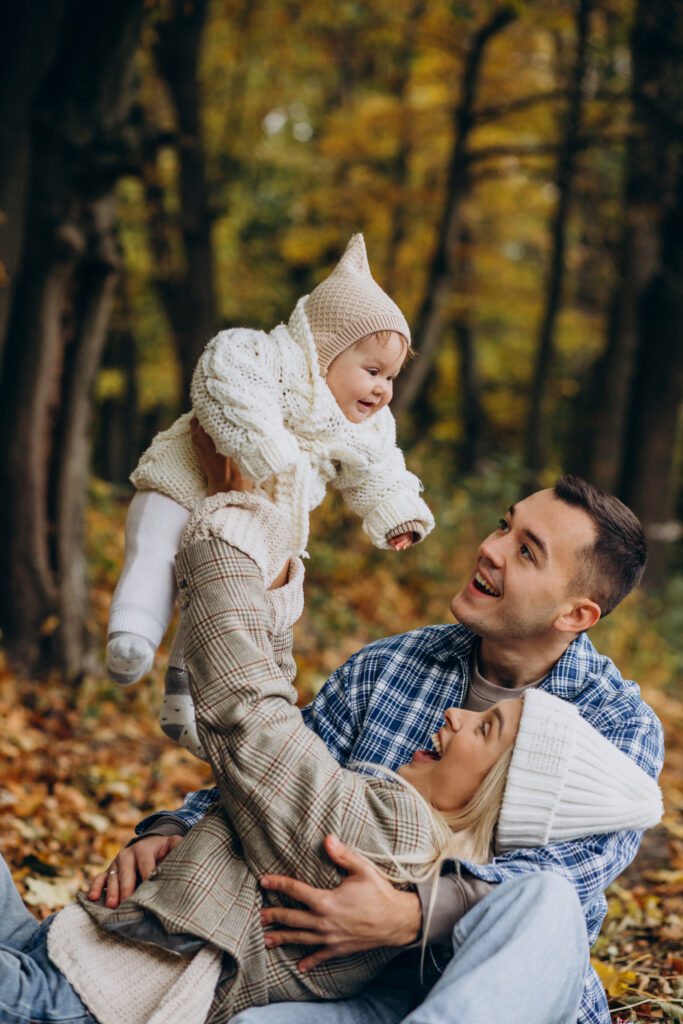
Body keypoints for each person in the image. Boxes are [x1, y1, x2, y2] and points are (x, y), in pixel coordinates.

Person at [0, 466, 662, 1024]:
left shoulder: (614, 725)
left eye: (526, 551)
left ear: (574, 614)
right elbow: (284, 773)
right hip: (338, 983)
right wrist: (176, 825)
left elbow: (562, 889)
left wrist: (407, 913)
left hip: (478, 993)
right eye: (503, 526)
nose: (490, 549)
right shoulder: (392, 665)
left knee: (545, 906)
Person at [106, 233, 434, 760]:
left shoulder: (366, 426)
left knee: (225, 607)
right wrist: (265, 451)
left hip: (257, 528)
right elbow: (224, 378)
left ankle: (187, 698)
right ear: (323, 349)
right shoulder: (264, 355)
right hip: (186, 483)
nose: (383, 390)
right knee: (157, 552)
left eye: (392, 377)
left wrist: (395, 511)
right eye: (372, 372)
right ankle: (134, 634)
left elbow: (381, 468)